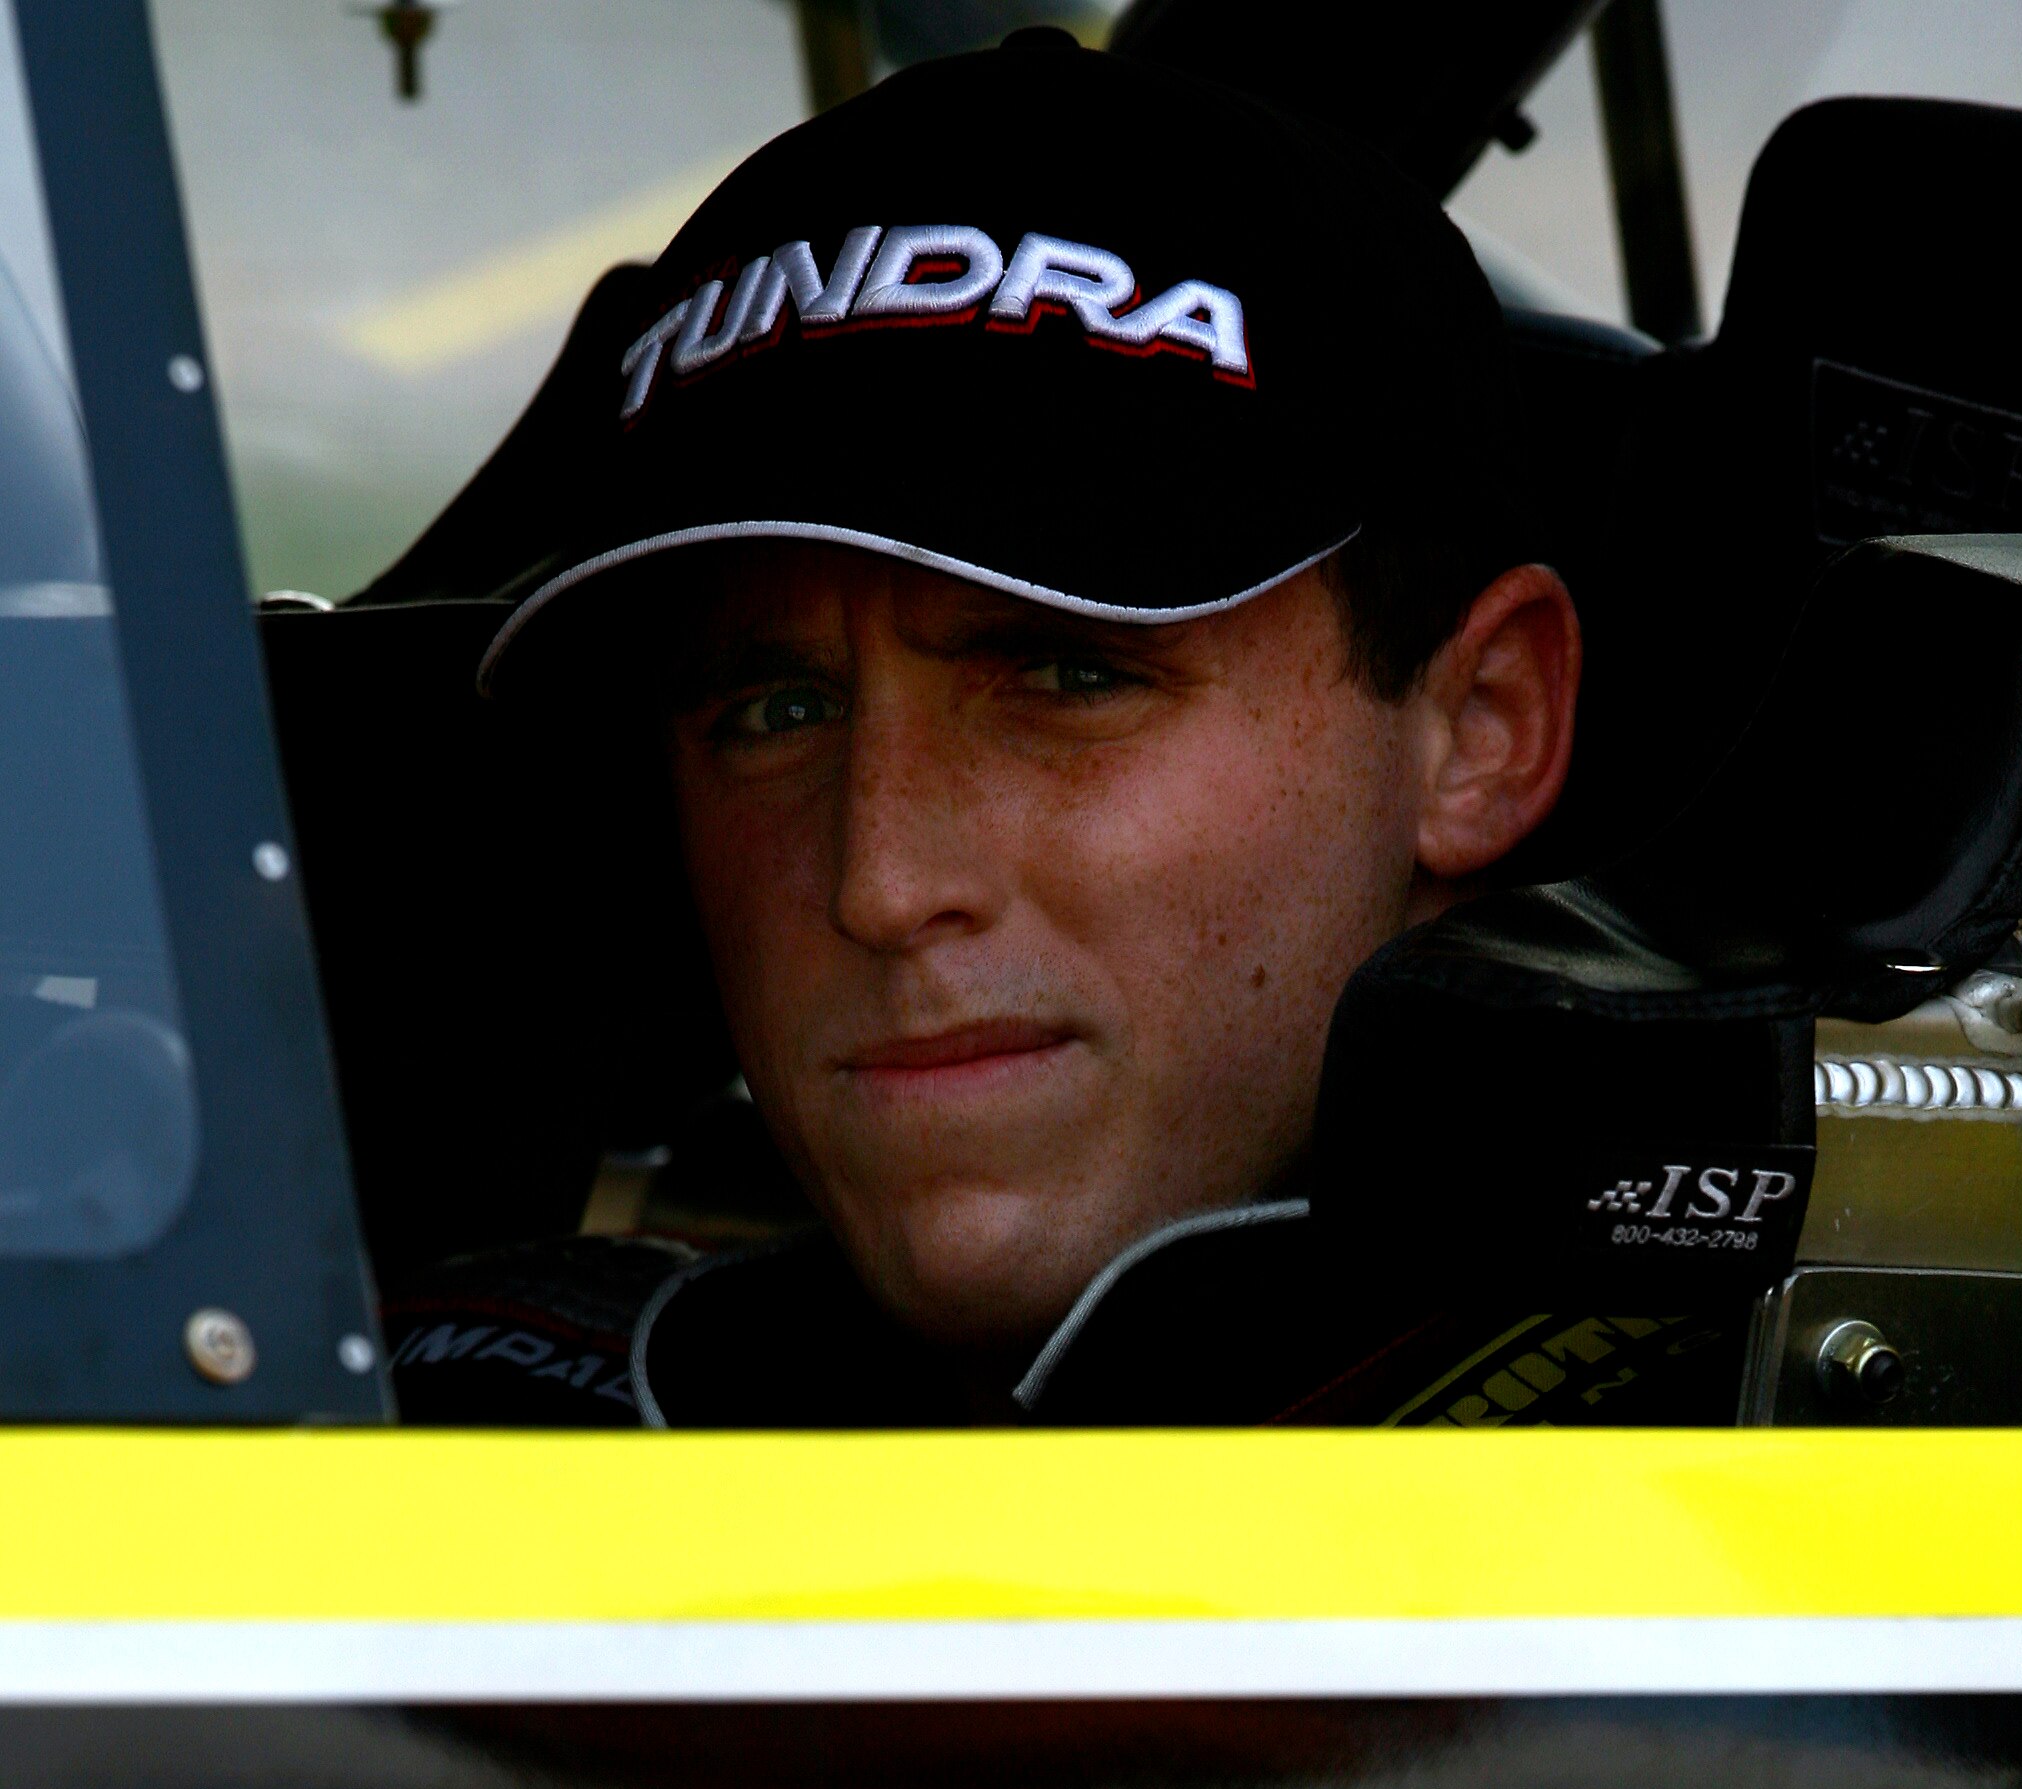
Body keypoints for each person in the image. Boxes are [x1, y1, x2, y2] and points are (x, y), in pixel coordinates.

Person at [387, 28, 1581, 1426]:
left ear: (1480, 728)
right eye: (777, 711)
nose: (881, 886)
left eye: (1070, 678)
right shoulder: (433, 1419)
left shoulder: (1749, 1467)